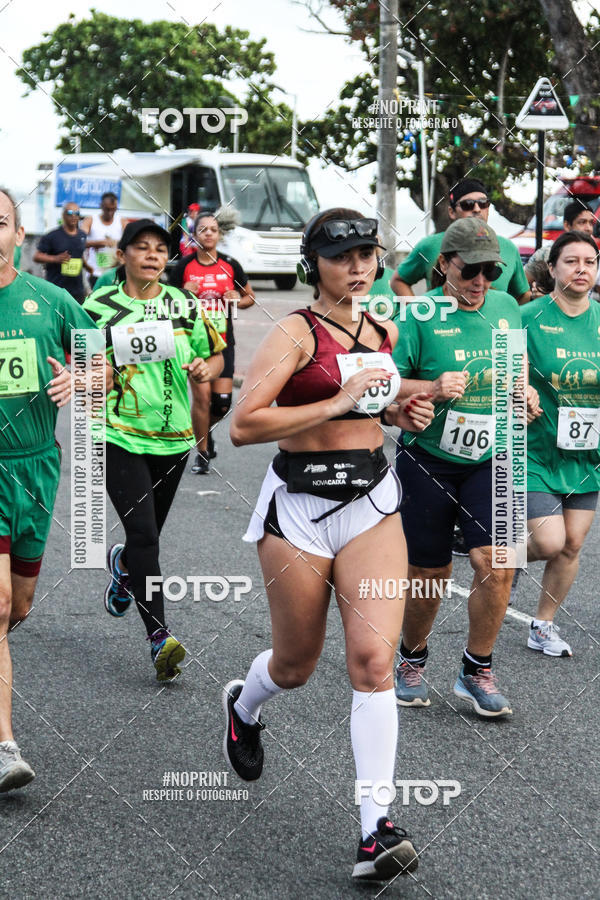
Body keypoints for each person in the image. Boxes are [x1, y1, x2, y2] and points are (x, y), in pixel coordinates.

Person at [226, 208, 435, 880]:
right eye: (342, 255)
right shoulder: (294, 332)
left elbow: (379, 406)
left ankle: (376, 830)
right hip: (300, 510)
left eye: (367, 254)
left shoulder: (382, 327)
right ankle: (244, 704)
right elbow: (245, 425)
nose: (358, 267)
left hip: (371, 504)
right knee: (295, 664)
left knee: (374, 660)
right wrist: (337, 401)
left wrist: (406, 409)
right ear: (314, 262)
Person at [392, 217, 532, 718]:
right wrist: (428, 388)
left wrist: (525, 392)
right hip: (428, 457)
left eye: (490, 271)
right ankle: (411, 659)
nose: (480, 282)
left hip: (494, 455)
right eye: (469, 270)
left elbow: (515, 370)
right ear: (443, 264)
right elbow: (391, 385)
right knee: (430, 573)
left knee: (499, 563)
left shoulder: (504, 308)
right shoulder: (420, 313)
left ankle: (476, 669)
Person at [0, 187, 111, 791]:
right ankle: (3, 746)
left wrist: (81, 377)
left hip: (37, 466)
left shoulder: (52, 300)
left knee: (18, 607)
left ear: (20, 236)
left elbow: (101, 365)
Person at [84, 219, 225, 681]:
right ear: (121, 256)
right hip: (117, 434)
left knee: (148, 539)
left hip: (172, 437)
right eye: (140, 248)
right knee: (144, 534)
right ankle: (159, 637)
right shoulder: (98, 306)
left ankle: (124, 564)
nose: (151, 255)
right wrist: (95, 372)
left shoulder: (184, 303)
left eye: (160, 249)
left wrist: (207, 367)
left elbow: (217, 354)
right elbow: (79, 365)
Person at [522, 231, 600, 657]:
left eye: (589, 261)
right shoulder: (527, 317)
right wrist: (522, 391)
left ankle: (543, 625)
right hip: (535, 448)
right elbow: (508, 370)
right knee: (550, 542)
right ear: (552, 269)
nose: (582, 269)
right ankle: (498, 556)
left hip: (588, 453)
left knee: (572, 543)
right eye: (571, 261)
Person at [170, 211, 254, 474]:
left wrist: (235, 300)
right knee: (203, 399)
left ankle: (204, 431)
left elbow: (250, 297)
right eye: (203, 229)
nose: (208, 233)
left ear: (219, 235)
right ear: (194, 235)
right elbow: (167, 302)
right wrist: (184, 293)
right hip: (195, 342)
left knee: (221, 403)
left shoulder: (230, 265)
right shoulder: (184, 266)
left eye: (213, 230)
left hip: (223, 341)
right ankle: (203, 453)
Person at [391, 178, 531, 305]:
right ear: (451, 212)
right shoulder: (429, 246)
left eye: (483, 203)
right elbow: (399, 280)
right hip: (445, 329)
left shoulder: (508, 248)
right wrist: (418, 312)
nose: (476, 209)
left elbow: (521, 295)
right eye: (468, 204)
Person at [33, 202, 90, 303]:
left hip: (77, 291)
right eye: (70, 213)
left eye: (76, 213)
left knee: (75, 318)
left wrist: (88, 266)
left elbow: (79, 255)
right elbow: (37, 256)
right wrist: (55, 259)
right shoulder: (52, 236)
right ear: (63, 215)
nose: (73, 216)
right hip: (56, 289)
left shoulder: (82, 235)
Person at [82, 192, 124, 289]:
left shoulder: (121, 221)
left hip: (115, 272)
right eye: (107, 209)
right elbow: (79, 241)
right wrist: (101, 243)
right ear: (101, 206)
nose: (110, 213)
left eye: (113, 209)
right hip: (95, 272)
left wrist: (115, 243)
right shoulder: (91, 220)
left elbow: (130, 242)